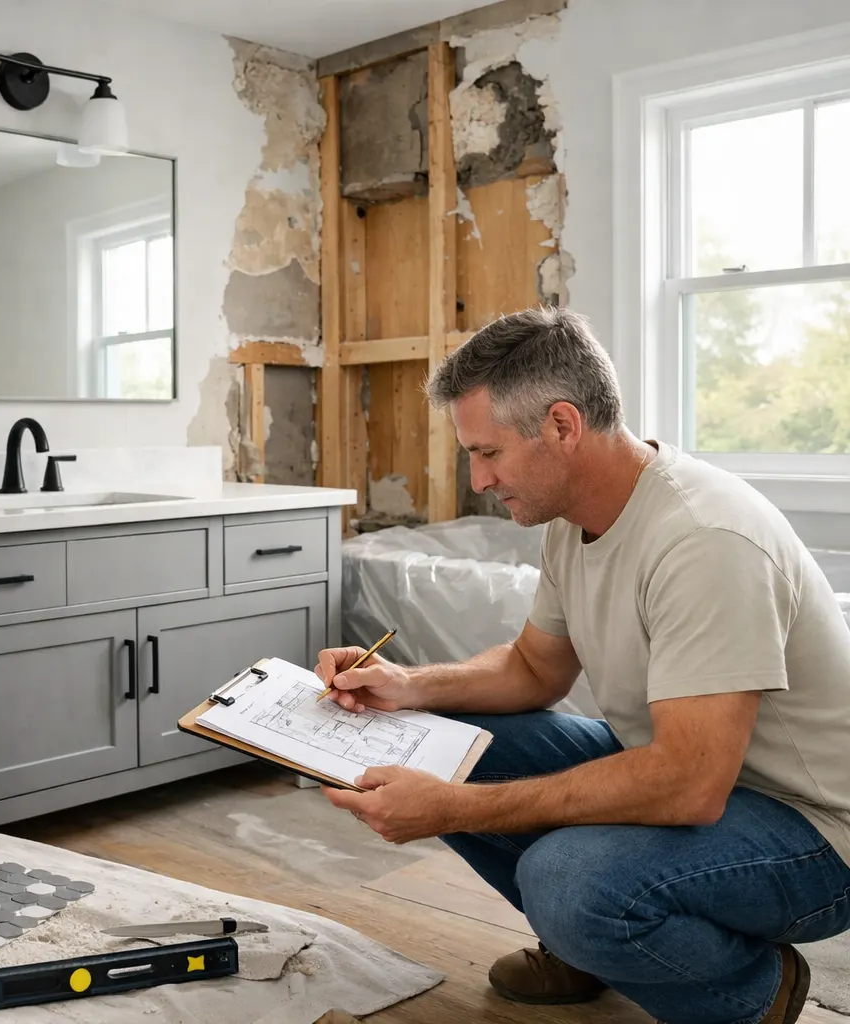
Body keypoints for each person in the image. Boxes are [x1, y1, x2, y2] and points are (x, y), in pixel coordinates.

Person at [317, 307, 850, 1024]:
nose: (477, 479)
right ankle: (593, 947)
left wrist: (452, 809)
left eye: (489, 453)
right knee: (445, 738)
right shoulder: (576, 519)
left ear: (562, 426)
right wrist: (407, 687)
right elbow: (535, 670)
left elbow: (692, 785)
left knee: (568, 882)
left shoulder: (704, 538)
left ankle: (749, 993)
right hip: (690, 769)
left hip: (814, 833)